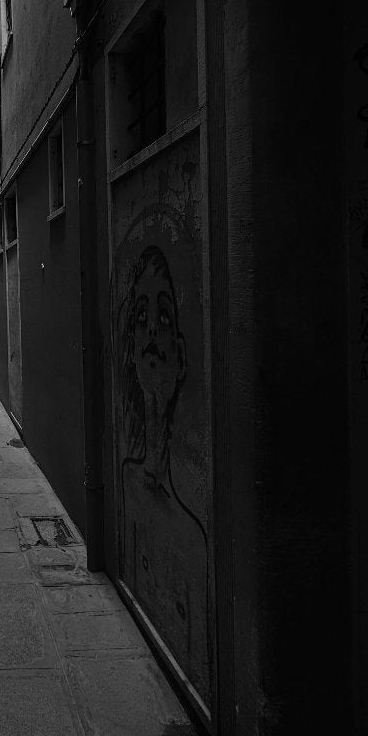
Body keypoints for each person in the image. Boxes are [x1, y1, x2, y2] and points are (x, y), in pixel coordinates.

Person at [118, 244, 210, 701]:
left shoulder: (195, 543)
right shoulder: (127, 484)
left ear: (182, 356)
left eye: (165, 318)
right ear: (131, 349)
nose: (151, 330)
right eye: (140, 318)